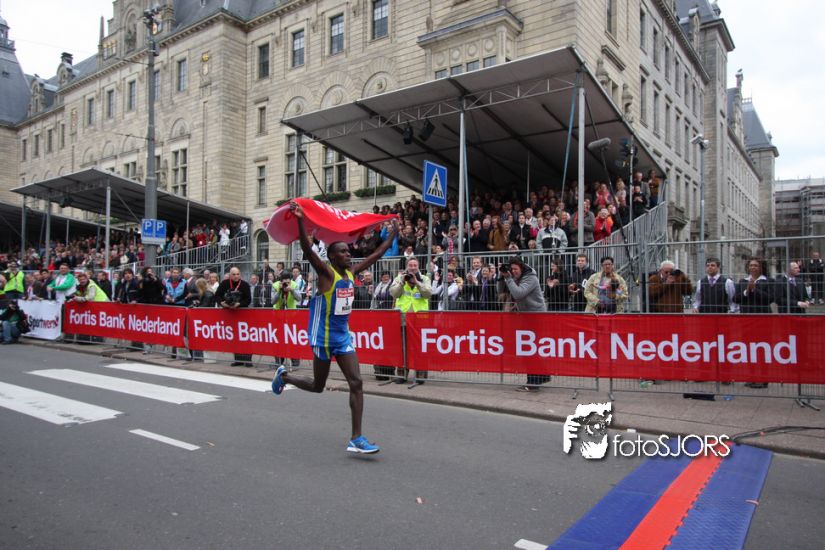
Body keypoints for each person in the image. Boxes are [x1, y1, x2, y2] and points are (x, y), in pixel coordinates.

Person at [272, 201, 399, 454]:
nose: (348, 255)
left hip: (342, 338)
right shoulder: (326, 274)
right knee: (318, 386)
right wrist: (300, 220)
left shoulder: (351, 273)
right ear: (332, 257)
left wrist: (393, 233)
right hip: (322, 337)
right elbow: (307, 250)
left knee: (357, 383)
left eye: (348, 251)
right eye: (343, 252)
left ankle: (356, 438)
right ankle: (284, 377)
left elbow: (376, 255)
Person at [498, 256, 548, 391]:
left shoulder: (530, 278)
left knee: (529, 348)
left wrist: (508, 278)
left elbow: (518, 293)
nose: (513, 271)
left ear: (522, 267)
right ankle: (543, 375)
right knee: (530, 347)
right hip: (527, 316)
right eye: (511, 269)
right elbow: (501, 292)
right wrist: (502, 276)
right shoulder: (516, 277)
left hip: (535, 316)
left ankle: (532, 383)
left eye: (515, 269)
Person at [215, 267, 253, 367]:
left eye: (238, 274)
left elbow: (248, 299)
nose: (236, 276)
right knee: (235, 337)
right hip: (230, 314)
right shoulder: (224, 283)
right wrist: (222, 303)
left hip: (242, 313)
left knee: (245, 337)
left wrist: (239, 304)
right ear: (230, 275)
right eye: (234, 274)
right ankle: (238, 359)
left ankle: (248, 360)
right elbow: (217, 295)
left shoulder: (244, 285)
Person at [273, 271, 302, 369]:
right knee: (279, 338)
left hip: (292, 315)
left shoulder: (294, 285)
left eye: (288, 282)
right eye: (284, 282)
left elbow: (299, 298)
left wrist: (292, 290)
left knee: (293, 338)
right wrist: (279, 291)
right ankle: (279, 361)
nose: (286, 284)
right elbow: (273, 301)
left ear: (291, 281)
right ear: (281, 281)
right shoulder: (276, 285)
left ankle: (295, 361)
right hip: (278, 315)